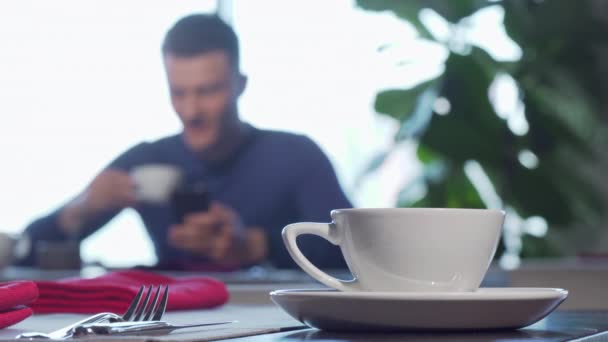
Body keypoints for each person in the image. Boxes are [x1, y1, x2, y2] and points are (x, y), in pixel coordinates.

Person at [17, 14, 351, 270]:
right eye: (179, 93)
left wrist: (257, 246)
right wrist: (81, 209)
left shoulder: (296, 156)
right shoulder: (147, 160)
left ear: (241, 85)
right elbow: (24, 251)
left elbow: (357, 253)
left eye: (207, 91)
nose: (190, 111)